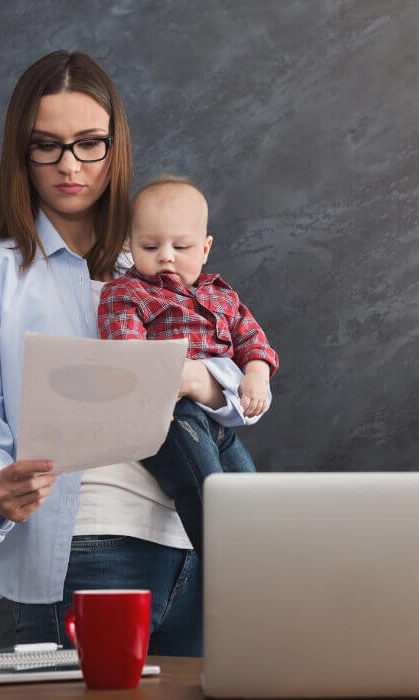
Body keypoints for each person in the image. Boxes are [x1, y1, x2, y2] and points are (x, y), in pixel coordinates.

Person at [0, 50, 263, 656]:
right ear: (20, 150)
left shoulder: (154, 259)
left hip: (194, 548)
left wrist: (197, 378)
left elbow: (235, 389)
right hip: (86, 549)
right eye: (47, 145)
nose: (70, 165)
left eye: (89, 143)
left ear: (117, 148)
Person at [97, 176, 280, 558]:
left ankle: (265, 571)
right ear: (129, 244)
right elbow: (129, 356)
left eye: (181, 246)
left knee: (252, 500)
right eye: (150, 245)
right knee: (206, 492)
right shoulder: (126, 293)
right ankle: (228, 571)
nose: (166, 256)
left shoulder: (221, 295)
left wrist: (257, 376)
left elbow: (254, 342)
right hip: (169, 416)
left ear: (205, 248)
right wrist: (172, 374)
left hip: (218, 426)